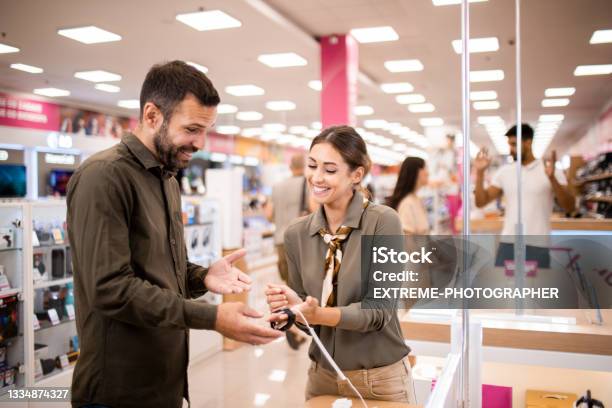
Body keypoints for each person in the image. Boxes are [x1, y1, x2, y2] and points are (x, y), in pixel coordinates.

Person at [67, 61, 282, 408]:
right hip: (117, 389)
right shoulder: (103, 177)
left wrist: (201, 276)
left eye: (206, 130)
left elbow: (160, 270)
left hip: (163, 381)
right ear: (152, 116)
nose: (200, 143)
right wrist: (212, 318)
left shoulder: (167, 178)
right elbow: (110, 289)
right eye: (192, 129)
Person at [265, 125, 416, 404]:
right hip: (322, 376)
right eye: (312, 165)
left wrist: (318, 314)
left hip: (379, 379)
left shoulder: (383, 222)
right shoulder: (297, 234)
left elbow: (379, 311)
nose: (316, 177)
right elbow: (309, 323)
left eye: (330, 170)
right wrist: (290, 311)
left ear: (356, 175)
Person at [474, 123, 574, 235]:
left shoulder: (551, 171)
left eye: (514, 144)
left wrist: (552, 179)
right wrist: (480, 173)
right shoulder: (504, 172)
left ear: (528, 143)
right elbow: (481, 202)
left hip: (538, 244)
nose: (510, 150)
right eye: (509, 145)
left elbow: (570, 206)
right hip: (509, 242)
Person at [264, 153, 311, 349]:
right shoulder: (310, 185)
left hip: (281, 241)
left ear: (290, 167)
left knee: (288, 286)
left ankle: (293, 326)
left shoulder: (277, 187)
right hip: (303, 241)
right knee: (305, 288)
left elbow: (268, 214)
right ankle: (298, 326)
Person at [386, 157, 430, 235]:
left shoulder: (416, 199)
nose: (428, 173)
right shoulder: (407, 203)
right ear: (417, 172)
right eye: (425, 168)